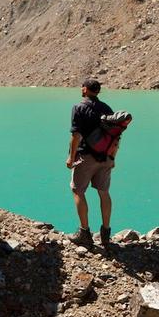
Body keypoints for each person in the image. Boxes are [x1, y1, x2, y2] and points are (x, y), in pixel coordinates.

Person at [67, 78, 116, 247]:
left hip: (86, 156)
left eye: (82, 87)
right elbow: (116, 135)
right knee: (104, 192)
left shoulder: (79, 107)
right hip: (106, 157)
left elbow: (76, 135)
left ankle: (84, 233)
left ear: (86, 90)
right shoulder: (107, 109)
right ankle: (106, 233)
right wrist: (113, 156)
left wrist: (71, 157)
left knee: (78, 190)